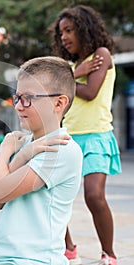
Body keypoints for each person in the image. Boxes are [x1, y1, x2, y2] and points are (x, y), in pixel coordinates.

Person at [0, 56, 83, 265]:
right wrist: (25, 153)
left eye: (28, 98)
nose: (18, 106)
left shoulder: (61, 149)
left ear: (59, 102)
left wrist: (5, 151)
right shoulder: (27, 143)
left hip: (32, 260)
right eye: (17, 97)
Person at [50, 5, 122, 265]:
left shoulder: (101, 55)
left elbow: (90, 92)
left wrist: (65, 80)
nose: (64, 37)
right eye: (61, 33)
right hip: (67, 137)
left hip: (96, 136)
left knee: (94, 195)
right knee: (52, 194)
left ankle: (109, 253)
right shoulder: (70, 66)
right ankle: (68, 249)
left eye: (69, 30)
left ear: (84, 29)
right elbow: (51, 92)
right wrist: (71, 74)